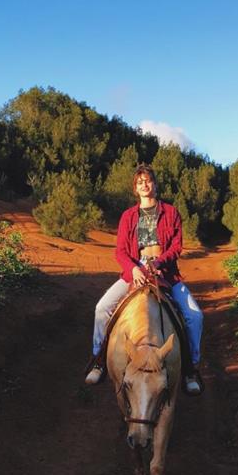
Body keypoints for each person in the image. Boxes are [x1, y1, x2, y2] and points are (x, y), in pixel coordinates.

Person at [85, 164, 204, 395]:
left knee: (194, 316)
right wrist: (134, 269)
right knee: (102, 308)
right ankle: (99, 359)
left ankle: (190, 368)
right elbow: (120, 251)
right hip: (135, 270)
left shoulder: (171, 212)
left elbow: (177, 247)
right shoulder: (128, 216)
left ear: (155, 184)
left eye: (147, 181)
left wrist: (159, 263)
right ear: (135, 188)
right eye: (140, 182)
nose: (144, 185)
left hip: (165, 271)